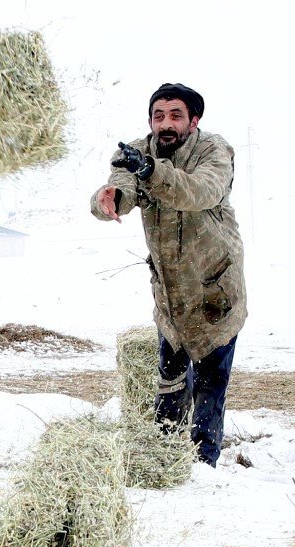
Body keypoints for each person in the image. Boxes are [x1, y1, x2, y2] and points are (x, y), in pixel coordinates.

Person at [90, 82, 247, 467]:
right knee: (171, 382)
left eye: (176, 115)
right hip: (171, 295)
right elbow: (122, 187)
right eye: (158, 115)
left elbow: (200, 191)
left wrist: (152, 172)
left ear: (194, 121)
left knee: (210, 386)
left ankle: (203, 465)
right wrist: (107, 199)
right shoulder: (137, 153)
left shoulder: (214, 151)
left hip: (215, 291)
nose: (166, 123)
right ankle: (163, 460)